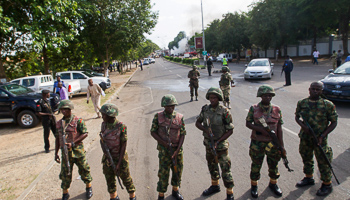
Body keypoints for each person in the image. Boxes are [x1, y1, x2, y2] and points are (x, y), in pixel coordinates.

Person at [295, 81, 338, 196]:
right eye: (313, 89)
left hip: (320, 139)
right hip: (305, 137)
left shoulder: (327, 104)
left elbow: (334, 122)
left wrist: (323, 135)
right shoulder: (302, 103)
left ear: (321, 91)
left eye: (318, 89)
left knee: (323, 161)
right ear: (309, 89)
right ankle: (309, 177)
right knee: (306, 157)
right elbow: (297, 117)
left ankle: (327, 184)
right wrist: (303, 127)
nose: (315, 91)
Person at [195, 87, 235, 200]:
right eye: (211, 97)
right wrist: (205, 130)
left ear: (219, 98)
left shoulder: (224, 111)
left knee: (225, 168)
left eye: (214, 98)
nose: (212, 100)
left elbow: (230, 130)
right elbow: (197, 123)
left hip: (221, 145)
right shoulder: (205, 110)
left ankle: (230, 192)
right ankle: (215, 185)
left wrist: (219, 141)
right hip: (209, 144)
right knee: (212, 165)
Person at [246, 85, 284, 198]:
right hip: (257, 143)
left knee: (273, 164)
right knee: (256, 165)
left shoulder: (277, 109)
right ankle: (254, 185)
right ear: (260, 96)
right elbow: (248, 123)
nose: (267, 97)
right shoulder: (254, 108)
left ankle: (273, 184)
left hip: (272, 143)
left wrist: (281, 146)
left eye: (269, 95)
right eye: (265, 95)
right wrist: (261, 129)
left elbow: (279, 128)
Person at [54, 100, 93, 200]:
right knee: (65, 173)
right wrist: (56, 153)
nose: (63, 112)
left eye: (65, 109)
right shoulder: (59, 123)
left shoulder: (78, 121)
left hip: (78, 151)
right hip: (66, 153)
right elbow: (57, 139)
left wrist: (73, 143)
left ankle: (89, 187)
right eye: (62, 110)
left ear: (70, 109)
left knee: (84, 169)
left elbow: (85, 133)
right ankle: (65, 193)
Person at [150, 94, 186, 200]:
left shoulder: (179, 117)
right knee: (163, 173)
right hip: (164, 151)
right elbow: (153, 132)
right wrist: (163, 143)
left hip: (177, 151)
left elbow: (183, 134)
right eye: (168, 106)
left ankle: (175, 190)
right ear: (164, 106)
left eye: (173, 106)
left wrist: (178, 149)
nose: (171, 108)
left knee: (177, 171)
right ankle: (161, 195)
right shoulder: (158, 116)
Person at [99, 104, 136, 200]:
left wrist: (119, 163)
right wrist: (107, 156)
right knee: (110, 180)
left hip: (120, 158)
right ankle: (114, 197)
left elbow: (123, 146)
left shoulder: (121, 127)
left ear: (110, 115)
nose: (102, 117)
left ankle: (132, 196)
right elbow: (102, 141)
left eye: (103, 115)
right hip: (108, 158)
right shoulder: (103, 125)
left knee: (126, 179)